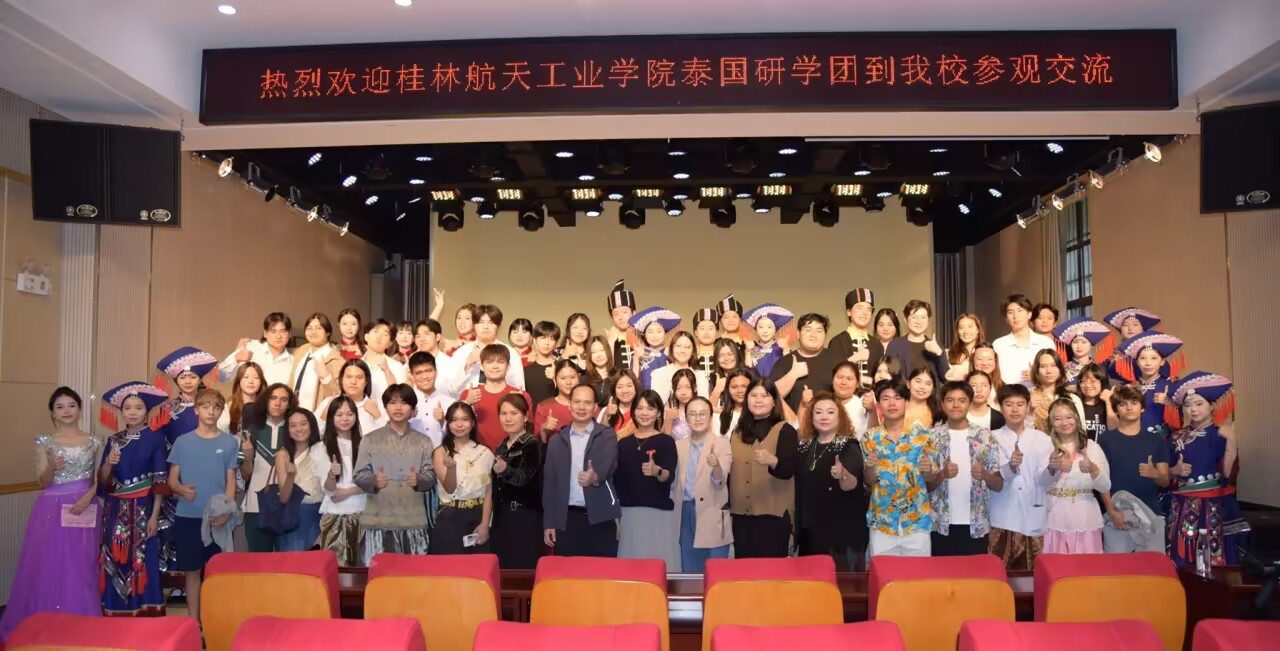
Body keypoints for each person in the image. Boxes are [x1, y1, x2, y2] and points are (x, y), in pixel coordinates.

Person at [0, 388, 102, 641]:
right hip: (51, 508)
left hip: (84, 506)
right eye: (60, 406)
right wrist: (52, 468)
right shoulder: (44, 442)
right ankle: (49, 624)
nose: (66, 410)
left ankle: (82, 623)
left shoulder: (95, 440)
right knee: (50, 566)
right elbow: (43, 482)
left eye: (71, 405)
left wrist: (90, 494)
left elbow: (98, 478)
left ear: (79, 409)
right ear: (53, 413)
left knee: (82, 565)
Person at [166, 389, 238, 624]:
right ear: (196, 410)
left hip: (217, 518)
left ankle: (215, 623)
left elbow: (230, 481)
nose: (211, 412)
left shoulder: (229, 442)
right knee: (192, 572)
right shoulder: (182, 442)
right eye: (205, 407)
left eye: (216, 407)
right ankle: (193, 623)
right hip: (188, 516)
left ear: (221, 411)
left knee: (218, 573)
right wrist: (180, 488)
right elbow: (172, 480)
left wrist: (227, 511)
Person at [98, 383, 168, 617]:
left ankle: (146, 609)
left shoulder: (156, 438)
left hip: (144, 508)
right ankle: (115, 609)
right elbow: (103, 481)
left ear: (146, 411)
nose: (133, 412)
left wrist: (155, 516)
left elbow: (160, 482)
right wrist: (109, 463)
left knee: (144, 558)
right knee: (115, 557)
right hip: (115, 510)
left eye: (138, 407)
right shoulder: (114, 440)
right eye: (127, 408)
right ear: (121, 411)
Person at [353, 384, 437, 563]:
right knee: (379, 575)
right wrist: (373, 480)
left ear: (413, 409)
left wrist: (419, 479)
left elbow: (431, 477)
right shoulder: (370, 439)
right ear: (385, 407)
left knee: (413, 575)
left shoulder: (424, 441)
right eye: (392, 403)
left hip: (413, 521)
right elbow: (358, 475)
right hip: (377, 521)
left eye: (404, 403)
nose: (398, 408)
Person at [1166, 372, 1242, 567]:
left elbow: (1228, 474)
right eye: (1188, 405)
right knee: (1183, 559)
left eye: (1199, 404)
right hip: (1182, 505)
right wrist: (1174, 470)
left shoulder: (1221, 434)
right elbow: (1162, 474)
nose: (1193, 409)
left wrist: (1231, 440)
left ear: (1211, 406)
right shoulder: (1175, 437)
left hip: (1215, 505)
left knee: (1217, 558)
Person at [543, 383, 621, 557]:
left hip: (601, 518)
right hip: (566, 520)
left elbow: (609, 464)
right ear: (569, 405)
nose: (581, 407)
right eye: (577, 402)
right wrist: (549, 522)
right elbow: (549, 484)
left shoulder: (606, 435)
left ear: (595, 407)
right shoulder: (556, 440)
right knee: (567, 573)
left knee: (600, 572)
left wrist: (595, 477)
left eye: (587, 403)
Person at [928, 382, 1004, 556]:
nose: (956, 405)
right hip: (940, 525)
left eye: (962, 400)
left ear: (969, 403)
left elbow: (998, 485)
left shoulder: (985, 436)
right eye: (950, 400)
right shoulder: (931, 437)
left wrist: (985, 475)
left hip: (976, 525)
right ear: (942, 404)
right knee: (941, 573)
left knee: (975, 573)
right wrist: (942, 475)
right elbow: (925, 486)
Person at [862, 377, 935, 557]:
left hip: (916, 523)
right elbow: (869, 482)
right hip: (882, 524)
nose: (892, 403)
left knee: (919, 574)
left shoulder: (923, 436)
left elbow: (931, 481)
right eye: (885, 398)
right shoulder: (869, 438)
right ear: (878, 404)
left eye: (897, 398)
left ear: (906, 402)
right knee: (883, 574)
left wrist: (928, 471)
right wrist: (869, 468)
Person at [728, 376, 798, 558]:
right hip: (741, 518)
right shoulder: (737, 432)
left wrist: (773, 461)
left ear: (774, 401)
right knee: (744, 570)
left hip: (773, 518)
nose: (758, 400)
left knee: (771, 572)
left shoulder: (785, 430)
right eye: (753, 395)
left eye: (765, 395)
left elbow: (789, 470)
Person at [987, 384, 1054, 570]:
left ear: (1028, 406)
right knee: (998, 575)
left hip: (1033, 518)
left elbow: (1044, 480)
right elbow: (993, 478)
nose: (1015, 409)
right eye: (1009, 404)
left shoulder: (1042, 439)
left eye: (1020, 404)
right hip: (1002, 518)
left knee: (1031, 578)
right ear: (1001, 408)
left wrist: (1052, 468)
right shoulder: (990, 438)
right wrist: (1011, 466)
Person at [796, 392, 867, 569]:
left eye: (830, 412)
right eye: (818, 412)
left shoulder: (849, 445)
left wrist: (843, 474)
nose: (824, 417)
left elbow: (851, 484)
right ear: (811, 417)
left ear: (839, 416)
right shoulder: (805, 446)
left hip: (842, 535)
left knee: (841, 584)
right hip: (810, 532)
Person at [1097, 385, 1169, 554]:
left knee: (1152, 567)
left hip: (1150, 513)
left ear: (1142, 408)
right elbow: (1100, 480)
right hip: (1117, 515)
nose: (1129, 407)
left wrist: (1155, 474)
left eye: (1134, 403)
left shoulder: (1156, 440)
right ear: (1116, 410)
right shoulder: (1105, 440)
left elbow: (1165, 481)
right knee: (1117, 567)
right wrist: (1111, 511)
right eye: (1123, 404)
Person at [615, 390, 680, 567]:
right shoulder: (623, 444)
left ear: (658, 413)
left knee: (660, 566)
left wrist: (657, 471)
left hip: (659, 514)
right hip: (629, 515)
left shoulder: (666, 441)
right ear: (633, 411)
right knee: (631, 568)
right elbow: (618, 482)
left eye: (650, 408)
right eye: (640, 408)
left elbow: (668, 475)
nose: (644, 413)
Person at [672, 397, 732, 573]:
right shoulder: (678, 446)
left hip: (712, 514)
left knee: (715, 573)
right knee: (689, 571)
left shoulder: (722, 444)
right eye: (692, 414)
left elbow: (720, 482)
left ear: (710, 417)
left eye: (702, 414)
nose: (697, 418)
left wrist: (716, 466)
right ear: (686, 418)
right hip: (685, 513)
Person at [1043, 398, 1111, 554]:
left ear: (1076, 418)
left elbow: (1105, 486)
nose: (1064, 423)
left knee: (1085, 566)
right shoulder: (1045, 447)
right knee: (1056, 565)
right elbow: (1038, 483)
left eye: (1069, 417)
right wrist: (1052, 468)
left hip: (1086, 516)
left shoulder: (1092, 447)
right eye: (1058, 418)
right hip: (1054, 516)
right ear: (1051, 422)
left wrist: (1093, 469)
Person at [430, 402, 495, 554]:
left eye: (465, 419)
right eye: (454, 420)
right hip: (450, 516)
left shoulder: (485, 453)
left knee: (477, 565)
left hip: (478, 516)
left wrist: (485, 524)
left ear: (472, 423)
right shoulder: (441, 452)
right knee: (449, 566)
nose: (459, 425)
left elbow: (488, 492)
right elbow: (449, 488)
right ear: (448, 423)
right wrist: (451, 468)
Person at [312, 396, 366, 566]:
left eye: (349, 414)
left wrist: (347, 491)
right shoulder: (321, 447)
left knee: (363, 568)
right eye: (339, 414)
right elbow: (329, 490)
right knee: (336, 568)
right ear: (331, 417)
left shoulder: (366, 444)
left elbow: (373, 483)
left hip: (364, 515)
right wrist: (331, 475)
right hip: (335, 516)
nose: (345, 419)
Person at [243, 383, 297, 552]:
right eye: (273, 398)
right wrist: (248, 457)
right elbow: (245, 475)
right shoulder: (251, 430)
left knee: (287, 563)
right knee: (258, 563)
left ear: (290, 404)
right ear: (266, 401)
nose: (277, 403)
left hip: (287, 507)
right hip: (255, 506)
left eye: (283, 399)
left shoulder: (295, 430)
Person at [492, 394, 544, 569]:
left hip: (525, 517)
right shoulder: (501, 446)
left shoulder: (531, 444)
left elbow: (524, 477)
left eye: (514, 413)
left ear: (526, 416)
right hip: (503, 517)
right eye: (503, 413)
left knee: (524, 570)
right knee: (504, 570)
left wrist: (505, 470)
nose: (508, 419)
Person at [458, 344, 533, 451]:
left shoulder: (521, 395)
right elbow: (458, 428)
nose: (495, 366)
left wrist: (520, 405)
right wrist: (466, 403)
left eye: (500, 362)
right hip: (476, 455)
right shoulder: (468, 395)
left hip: (512, 455)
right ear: (481, 366)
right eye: (489, 362)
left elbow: (530, 431)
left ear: (508, 366)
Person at [441, 305, 526, 394]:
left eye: (491, 322)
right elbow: (451, 389)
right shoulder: (462, 353)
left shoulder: (510, 353)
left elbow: (519, 389)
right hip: (466, 402)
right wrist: (468, 365)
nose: (486, 327)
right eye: (481, 322)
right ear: (474, 325)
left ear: (498, 326)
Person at [1115, 331, 1184, 438]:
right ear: (1137, 362)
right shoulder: (1128, 387)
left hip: (1161, 442)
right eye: (1143, 358)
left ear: (1162, 361)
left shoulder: (1171, 387)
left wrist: (1169, 404)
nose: (1148, 363)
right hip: (1132, 440)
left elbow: (1178, 425)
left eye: (1154, 358)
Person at [770, 313, 841, 414]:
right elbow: (770, 397)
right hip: (794, 422)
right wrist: (793, 375)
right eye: (808, 330)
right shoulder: (784, 362)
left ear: (825, 335)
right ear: (798, 334)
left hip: (830, 422)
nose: (813, 335)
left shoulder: (837, 361)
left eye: (819, 331)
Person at [275, 407, 323, 552]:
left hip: (318, 514)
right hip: (292, 517)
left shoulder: (322, 450)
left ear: (311, 425)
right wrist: (291, 476)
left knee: (316, 562)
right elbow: (284, 497)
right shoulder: (283, 455)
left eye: (303, 424)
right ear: (288, 430)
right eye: (293, 425)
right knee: (292, 562)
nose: (299, 429)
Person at [155, 346, 220, 447]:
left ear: (200, 380)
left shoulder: (210, 406)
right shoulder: (167, 408)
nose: (188, 382)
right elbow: (159, 440)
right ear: (176, 381)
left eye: (193, 377)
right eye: (182, 378)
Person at [992, 295, 1056, 388]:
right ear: (1006, 318)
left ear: (1029, 314)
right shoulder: (998, 345)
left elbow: (1055, 374)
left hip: (1039, 394)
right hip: (1008, 395)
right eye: (1010, 312)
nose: (1015, 316)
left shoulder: (1046, 343)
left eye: (1020, 311)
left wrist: (1036, 376)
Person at [219, 312, 295, 386]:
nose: (278, 336)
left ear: (289, 333)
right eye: (273, 331)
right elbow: (221, 376)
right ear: (265, 333)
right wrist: (236, 359)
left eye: (283, 331)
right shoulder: (251, 347)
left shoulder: (293, 362)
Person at [827, 289, 881, 390]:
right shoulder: (837, 342)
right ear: (849, 312)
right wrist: (854, 359)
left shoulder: (877, 344)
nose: (864, 313)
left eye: (868, 309)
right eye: (859, 308)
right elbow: (832, 375)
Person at [291, 312, 345, 413]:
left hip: (317, 415)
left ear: (328, 332)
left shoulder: (337, 360)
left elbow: (339, 395)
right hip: (293, 412)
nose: (313, 331)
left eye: (318, 328)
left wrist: (326, 377)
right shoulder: (301, 351)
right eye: (309, 328)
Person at [317, 359, 387, 435]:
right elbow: (313, 436)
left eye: (359, 377)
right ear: (341, 379)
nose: (353, 382)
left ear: (366, 381)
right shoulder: (328, 403)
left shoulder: (377, 406)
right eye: (349, 377)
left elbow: (388, 439)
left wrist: (377, 416)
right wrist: (324, 416)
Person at [885, 299, 948, 381]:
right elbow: (889, 377)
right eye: (914, 317)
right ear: (906, 320)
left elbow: (946, 378)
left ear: (928, 320)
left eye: (923, 317)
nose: (919, 322)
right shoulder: (895, 345)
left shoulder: (936, 345)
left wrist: (939, 353)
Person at [1102, 307, 1166, 381]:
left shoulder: (1153, 351)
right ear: (1120, 329)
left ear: (1143, 329)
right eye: (1125, 325)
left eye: (1135, 325)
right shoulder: (1113, 353)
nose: (1130, 328)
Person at [1029, 349, 1086, 433]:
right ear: (1036, 370)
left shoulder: (1072, 399)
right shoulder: (1029, 398)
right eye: (1043, 366)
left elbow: (1081, 431)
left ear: (1060, 369)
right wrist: (1030, 412)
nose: (1049, 371)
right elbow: (1022, 433)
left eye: (1053, 365)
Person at [407, 351, 454, 449]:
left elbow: (458, 436)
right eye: (418, 373)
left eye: (428, 371)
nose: (424, 377)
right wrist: (405, 419)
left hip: (442, 456)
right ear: (411, 375)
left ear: (436, 372)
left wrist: (443, 422)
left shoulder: (450, 403)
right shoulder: (405, 404)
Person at [1052, 317, 1114, 387]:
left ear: (1091, 345)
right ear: (1071, 345)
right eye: (1075, 342)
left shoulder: (1100, 368)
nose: (1079, 346)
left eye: (1084, 342)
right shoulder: (1063, 369)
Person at [650, 331, 709, 404]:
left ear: (693, 351)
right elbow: (655, 405)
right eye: (678, 346)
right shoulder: (659, 374)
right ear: (671, 349)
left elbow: (704, 405)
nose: (682, 350)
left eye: (687, 347)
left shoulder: (700, 376)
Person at [629, 307, 679, 389]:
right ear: (644, 334)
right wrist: (636, 359)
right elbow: (632, 381)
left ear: (665, 334)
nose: (654, 336)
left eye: (659, 331)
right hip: (645, 395)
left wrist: (671, 358)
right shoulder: (640, 354)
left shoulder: (670, 353)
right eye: (650, 332)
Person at [534, 360, 581, 442]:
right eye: (563, 378)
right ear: (555, 380)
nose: (568, 382)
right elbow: (537, 443)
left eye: (572, 377)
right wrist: (544, 429)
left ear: (579, 378)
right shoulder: (544, 407)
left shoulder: (588, 405)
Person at [363, 319, 409, 401]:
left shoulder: (396, 366)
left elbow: (401, 398)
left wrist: (387, 371)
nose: (379, 336)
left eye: (385, 334)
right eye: (375, 332)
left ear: (390, 343)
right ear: (366, 337)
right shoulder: (354, 365)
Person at [743, 303, 793, 378]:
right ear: (756, 329)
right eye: (761, 327)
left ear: (775, 329)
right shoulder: (753, 348)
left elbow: (789, 371)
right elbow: (748, 374)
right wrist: (748, 352)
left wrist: (786, 349)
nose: (765, 331)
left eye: (769, 327)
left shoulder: (780, 348)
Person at [832, 361, 876, 438]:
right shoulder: (822, 403)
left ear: (857, 384)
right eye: (840, 377)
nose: (843, 382)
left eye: (849, 379)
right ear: (832, 380)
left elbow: (876, 434)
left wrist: (873, 410)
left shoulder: (864, 405)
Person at [524, 320, 561, 407]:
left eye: (552, 339)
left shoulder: (562, 368)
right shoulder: (525, 371)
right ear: (534, 340)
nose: (547, 343)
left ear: (556, 343)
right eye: (543, 338)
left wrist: (557, 379)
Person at [220, 361, 264, 433]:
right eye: (246, 377)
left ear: (261, 382)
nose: (251, 381)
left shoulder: (266, 407)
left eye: (256, 378)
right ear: (239, 381)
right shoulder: (228, 407)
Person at [1075, 363, 1114, 441]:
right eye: (1083, 381)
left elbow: (1114, 429)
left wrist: (1108, 402)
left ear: (1102, 383)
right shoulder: (1075, 405)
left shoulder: (1109, 405)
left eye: (1093, 381)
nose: (1088, 385)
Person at [605, 280, 638, 372]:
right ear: (612, 318)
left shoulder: (643, 336)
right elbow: (607, 370)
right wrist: (610, 342)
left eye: (625, 312)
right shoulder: (609, 339)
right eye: (616, 314)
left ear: (634, 313)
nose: (620, 317)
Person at [945, 313, 986, 381]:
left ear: (978, 330)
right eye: (961, 327)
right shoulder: (948, 354)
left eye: (970, 326)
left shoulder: (986, 352)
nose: (966, 331)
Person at [601, 370, 640, 439]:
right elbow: (600, 439)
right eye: (620, 387)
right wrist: (606, 416)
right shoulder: (605, 411)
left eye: (629, 386)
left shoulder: (643, 411)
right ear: (614, 391)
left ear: (635, 388)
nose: (625, 391)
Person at [664, 369, 699, 440]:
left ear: (695, 388)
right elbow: (665, 442)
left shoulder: (701, 410)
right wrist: (668, 419)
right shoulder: (669, 411)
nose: (683, 392)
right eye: (678, 388)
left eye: (688, 387)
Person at [716, 368, 752, 438]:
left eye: (744, 386)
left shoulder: (759, 415)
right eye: (734, 387)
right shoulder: (719, 418)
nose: (739, 391)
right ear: (728, 389)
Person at [869, 307, 900, 381]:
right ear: (876, 327)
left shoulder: (902, 348)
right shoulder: (869, 346)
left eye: (890, 325)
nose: (885, 329)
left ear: (896, 327)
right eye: (881, 325)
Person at [584, 335, 615, 406]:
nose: (598, 355)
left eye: (602, 350)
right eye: (593, 352)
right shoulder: (584, 379)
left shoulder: (617, 375)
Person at [692, 307, 720, 377]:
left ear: (717, 332)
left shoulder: (722, 353)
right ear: (696, 332)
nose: (706, 332)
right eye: (702, 328)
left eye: (710, 328)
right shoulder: (690, 354)